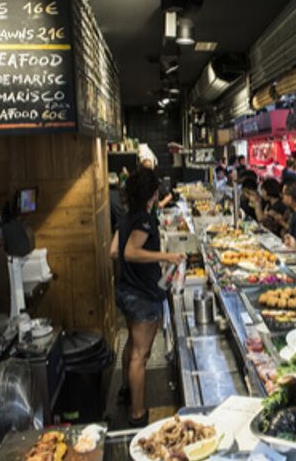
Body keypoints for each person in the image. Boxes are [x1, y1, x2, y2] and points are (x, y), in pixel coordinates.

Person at [109, 169, 186, 426]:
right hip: (142, 295)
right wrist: (166, 257)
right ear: (154, 193)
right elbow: (130, 252)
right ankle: (138, 414)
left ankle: (125, 390)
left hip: (126, 291)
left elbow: (114, 251)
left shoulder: (128, 216)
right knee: (140, 356)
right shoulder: (144, 219)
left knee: (131, 345)